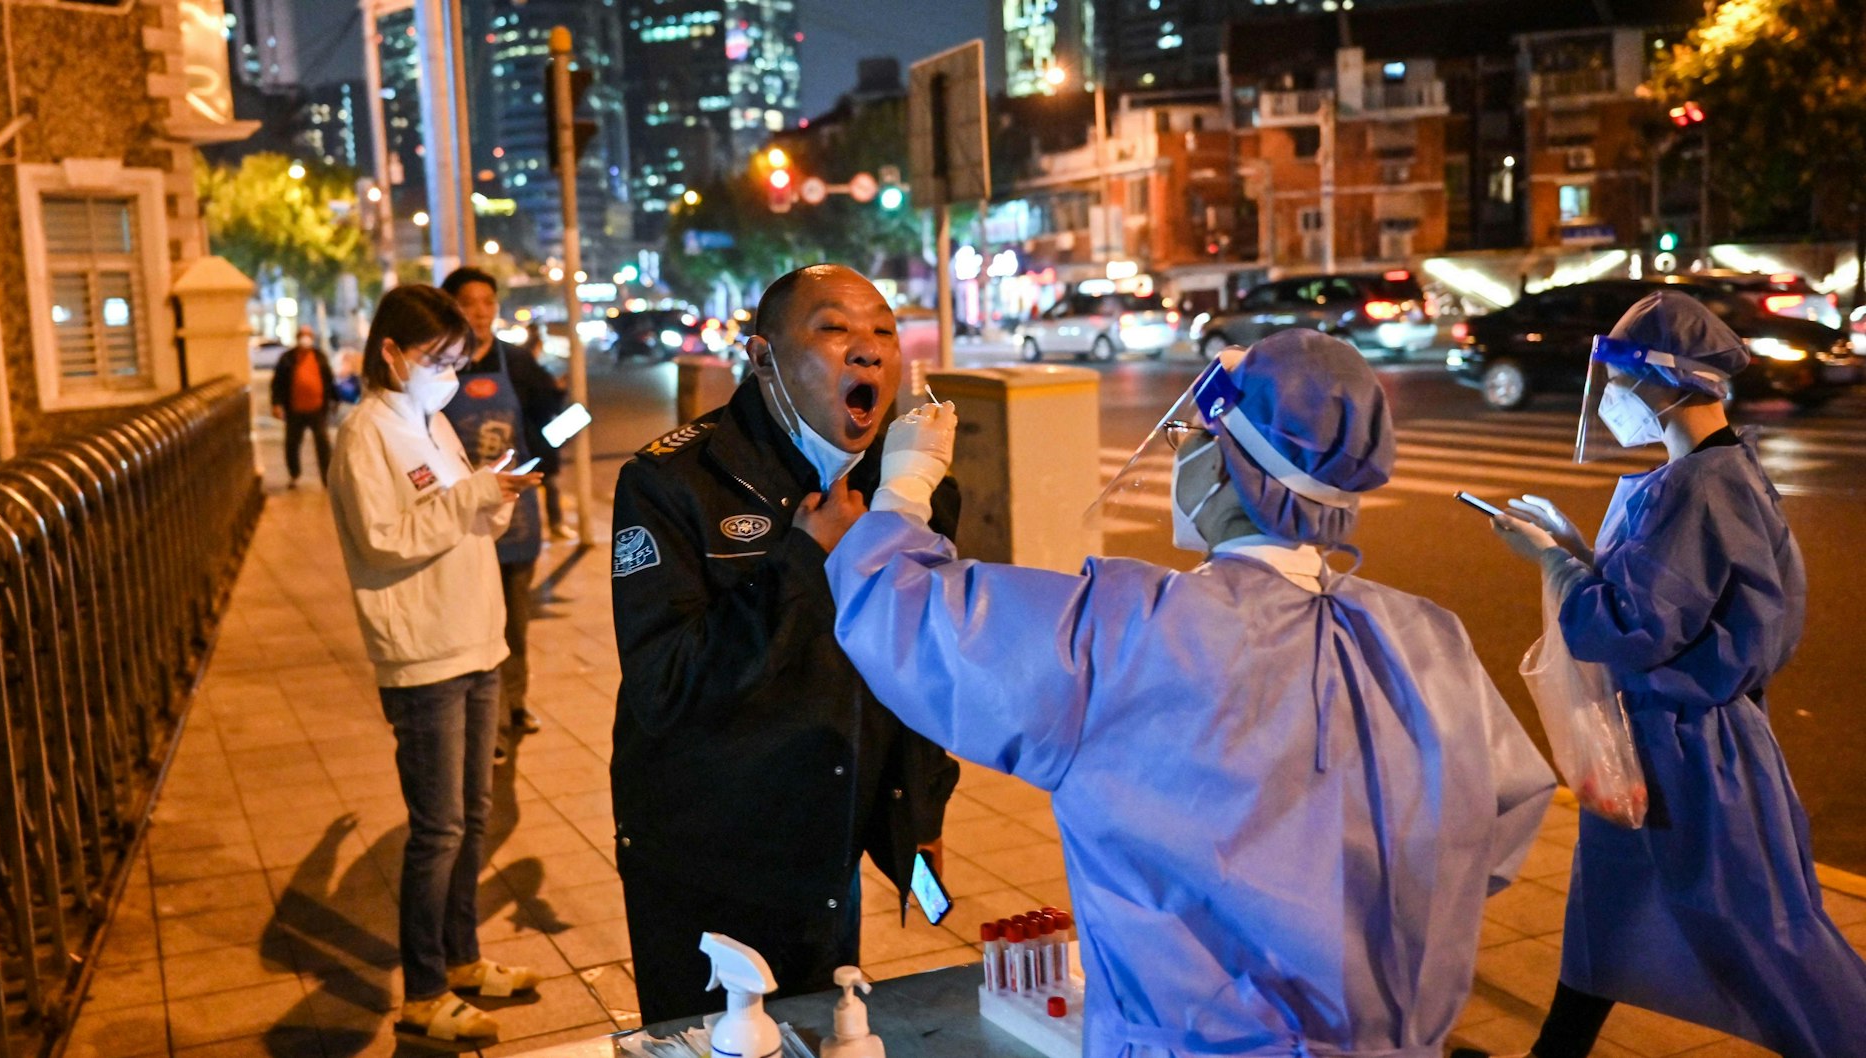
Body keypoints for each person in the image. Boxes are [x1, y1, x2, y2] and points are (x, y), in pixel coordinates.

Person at [821, 329, 1556, 1058]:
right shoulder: (1427, 641)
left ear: (1226, 467)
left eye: (1195, 439)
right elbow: (1499, 822)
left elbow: (909, 620)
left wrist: (904, 489)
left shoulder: (1128, 633)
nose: (1184, 454)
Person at [1469, 292, 1866, 1058]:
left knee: (1761, 938)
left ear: (1667, 381)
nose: (1614, 396)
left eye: (1622, 378)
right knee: (1603, 923)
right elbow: (1659, 601)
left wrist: (1553, 564)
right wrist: (1576, 550)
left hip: (1691, 759)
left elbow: (1630, 627)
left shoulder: (1698, 487)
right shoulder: (1714, 473)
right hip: (1663, 748)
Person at [610, 264, 961, 1022]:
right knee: (720, 1039)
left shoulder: (910, 488)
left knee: (822, 1026)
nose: (868, 352)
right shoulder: (670, 482)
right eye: (835, 329)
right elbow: (665, 686)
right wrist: (803, 561)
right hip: (708, 854)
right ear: (762, 355)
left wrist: (918, 816)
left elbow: (918, 668)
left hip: (828, 843)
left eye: (884, 332)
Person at [327, 285, 546, 1042]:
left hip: (478, 641)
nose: (449, 372)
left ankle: (462, 960)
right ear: (390, 351)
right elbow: (387, 538)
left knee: (474, 815)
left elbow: (463, 516)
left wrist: (498, 496)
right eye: (436, 358)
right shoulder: (366, 437)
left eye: (458, 360)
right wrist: (472, 499)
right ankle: (422, 994)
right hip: (423, 656)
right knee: (438, 828)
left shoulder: (434, 422)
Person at [440, 267, 557, 754]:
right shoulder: (438, 369)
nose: (481, 312)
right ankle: (480, 723)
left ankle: (514, 704)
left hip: (518, 519)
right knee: (469, 625)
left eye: (488, 302)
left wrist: (546, 459)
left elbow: (560, 412)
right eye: (469, 303)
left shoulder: (518, 364)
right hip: (460, 521)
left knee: (514, 621)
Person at [271, 324, 336, 486]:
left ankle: (326, 477)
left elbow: (329, 380)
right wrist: (276, 404)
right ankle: (294, 474)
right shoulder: (287, 359)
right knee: (292, 443)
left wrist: (334, 400)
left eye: (309, 335)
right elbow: (277, 383)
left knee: (323, 443)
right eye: (303, 335)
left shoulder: (320, 357)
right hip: (295, 410)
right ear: (298, 337)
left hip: (317, 409)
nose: (306, 338)